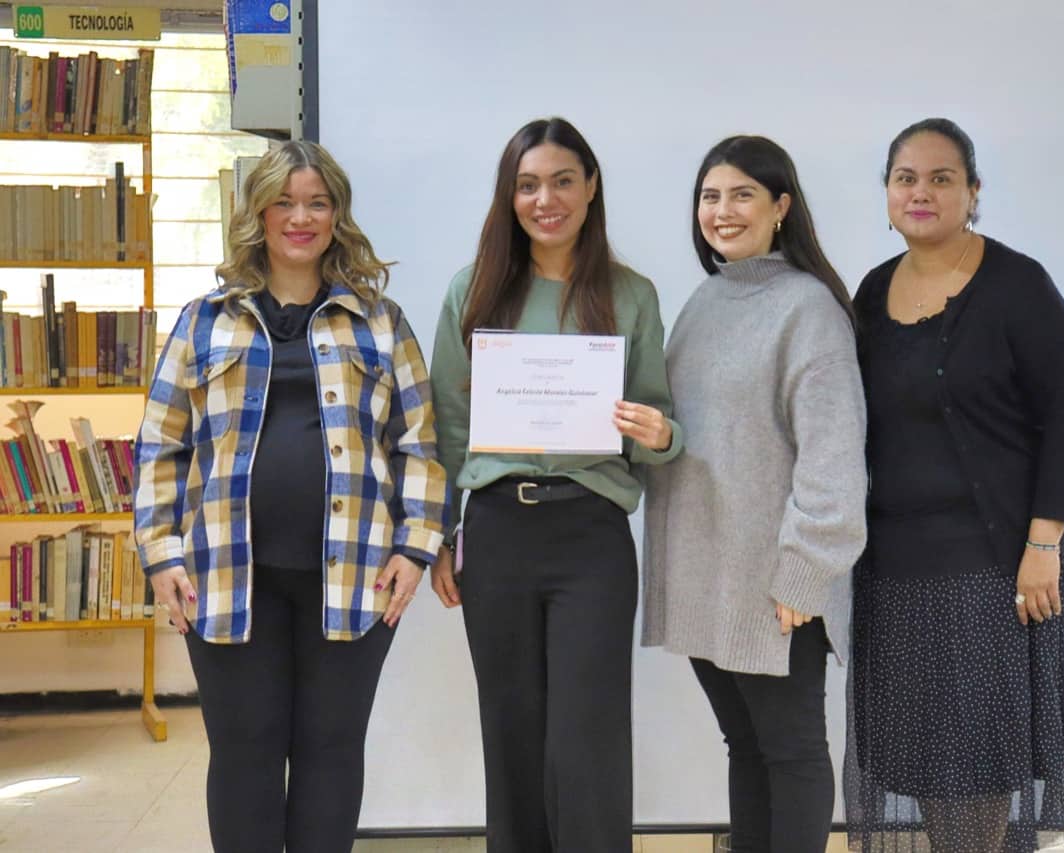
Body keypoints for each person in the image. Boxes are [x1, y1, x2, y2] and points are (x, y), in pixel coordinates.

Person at [133, 140, 446, 853]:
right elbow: (159, 444)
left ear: (337, 214)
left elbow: (420, 442)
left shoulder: (380, 321)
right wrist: (159, 554)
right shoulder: (203, 320)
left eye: (318, 202)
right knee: (244, 756)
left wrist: (416, 546)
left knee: (331, 755)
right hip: (225, 577)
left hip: (357, 577)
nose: (300, 217)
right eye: (284, 202)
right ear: (259, 213)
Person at [427, 116, 682, 853]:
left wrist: (660, 435)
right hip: (499, 530)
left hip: (591, 535)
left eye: (563, 180)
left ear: (591, 187)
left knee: (588, 738)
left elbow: (656, 415)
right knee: (510, 731)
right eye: (529, 184)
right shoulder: (472, 290)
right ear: (509, 196)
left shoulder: (630, 294)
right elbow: (448, 424)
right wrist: (443, 535)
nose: (547, 199)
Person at [843, 118, 1064, 853]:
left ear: (973, 192)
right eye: (905, 178)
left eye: (941, 178)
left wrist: (1045, 541)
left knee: (980, 762)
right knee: (922, 756)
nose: (921, 192)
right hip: (893, 570)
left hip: (996, 571)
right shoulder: (871, 291)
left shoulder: (1017, 285)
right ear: (887, 193)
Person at [641, 135, 868, 853]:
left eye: (742, 194)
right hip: (710, 580)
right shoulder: (703, 303)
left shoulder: (808, 308)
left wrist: (804, 573)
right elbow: (697, 440)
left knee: (792, 751)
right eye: (711, 196)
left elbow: (834, 459)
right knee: (746, 745)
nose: (722, 210)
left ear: (781, 208)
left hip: (777, 585)